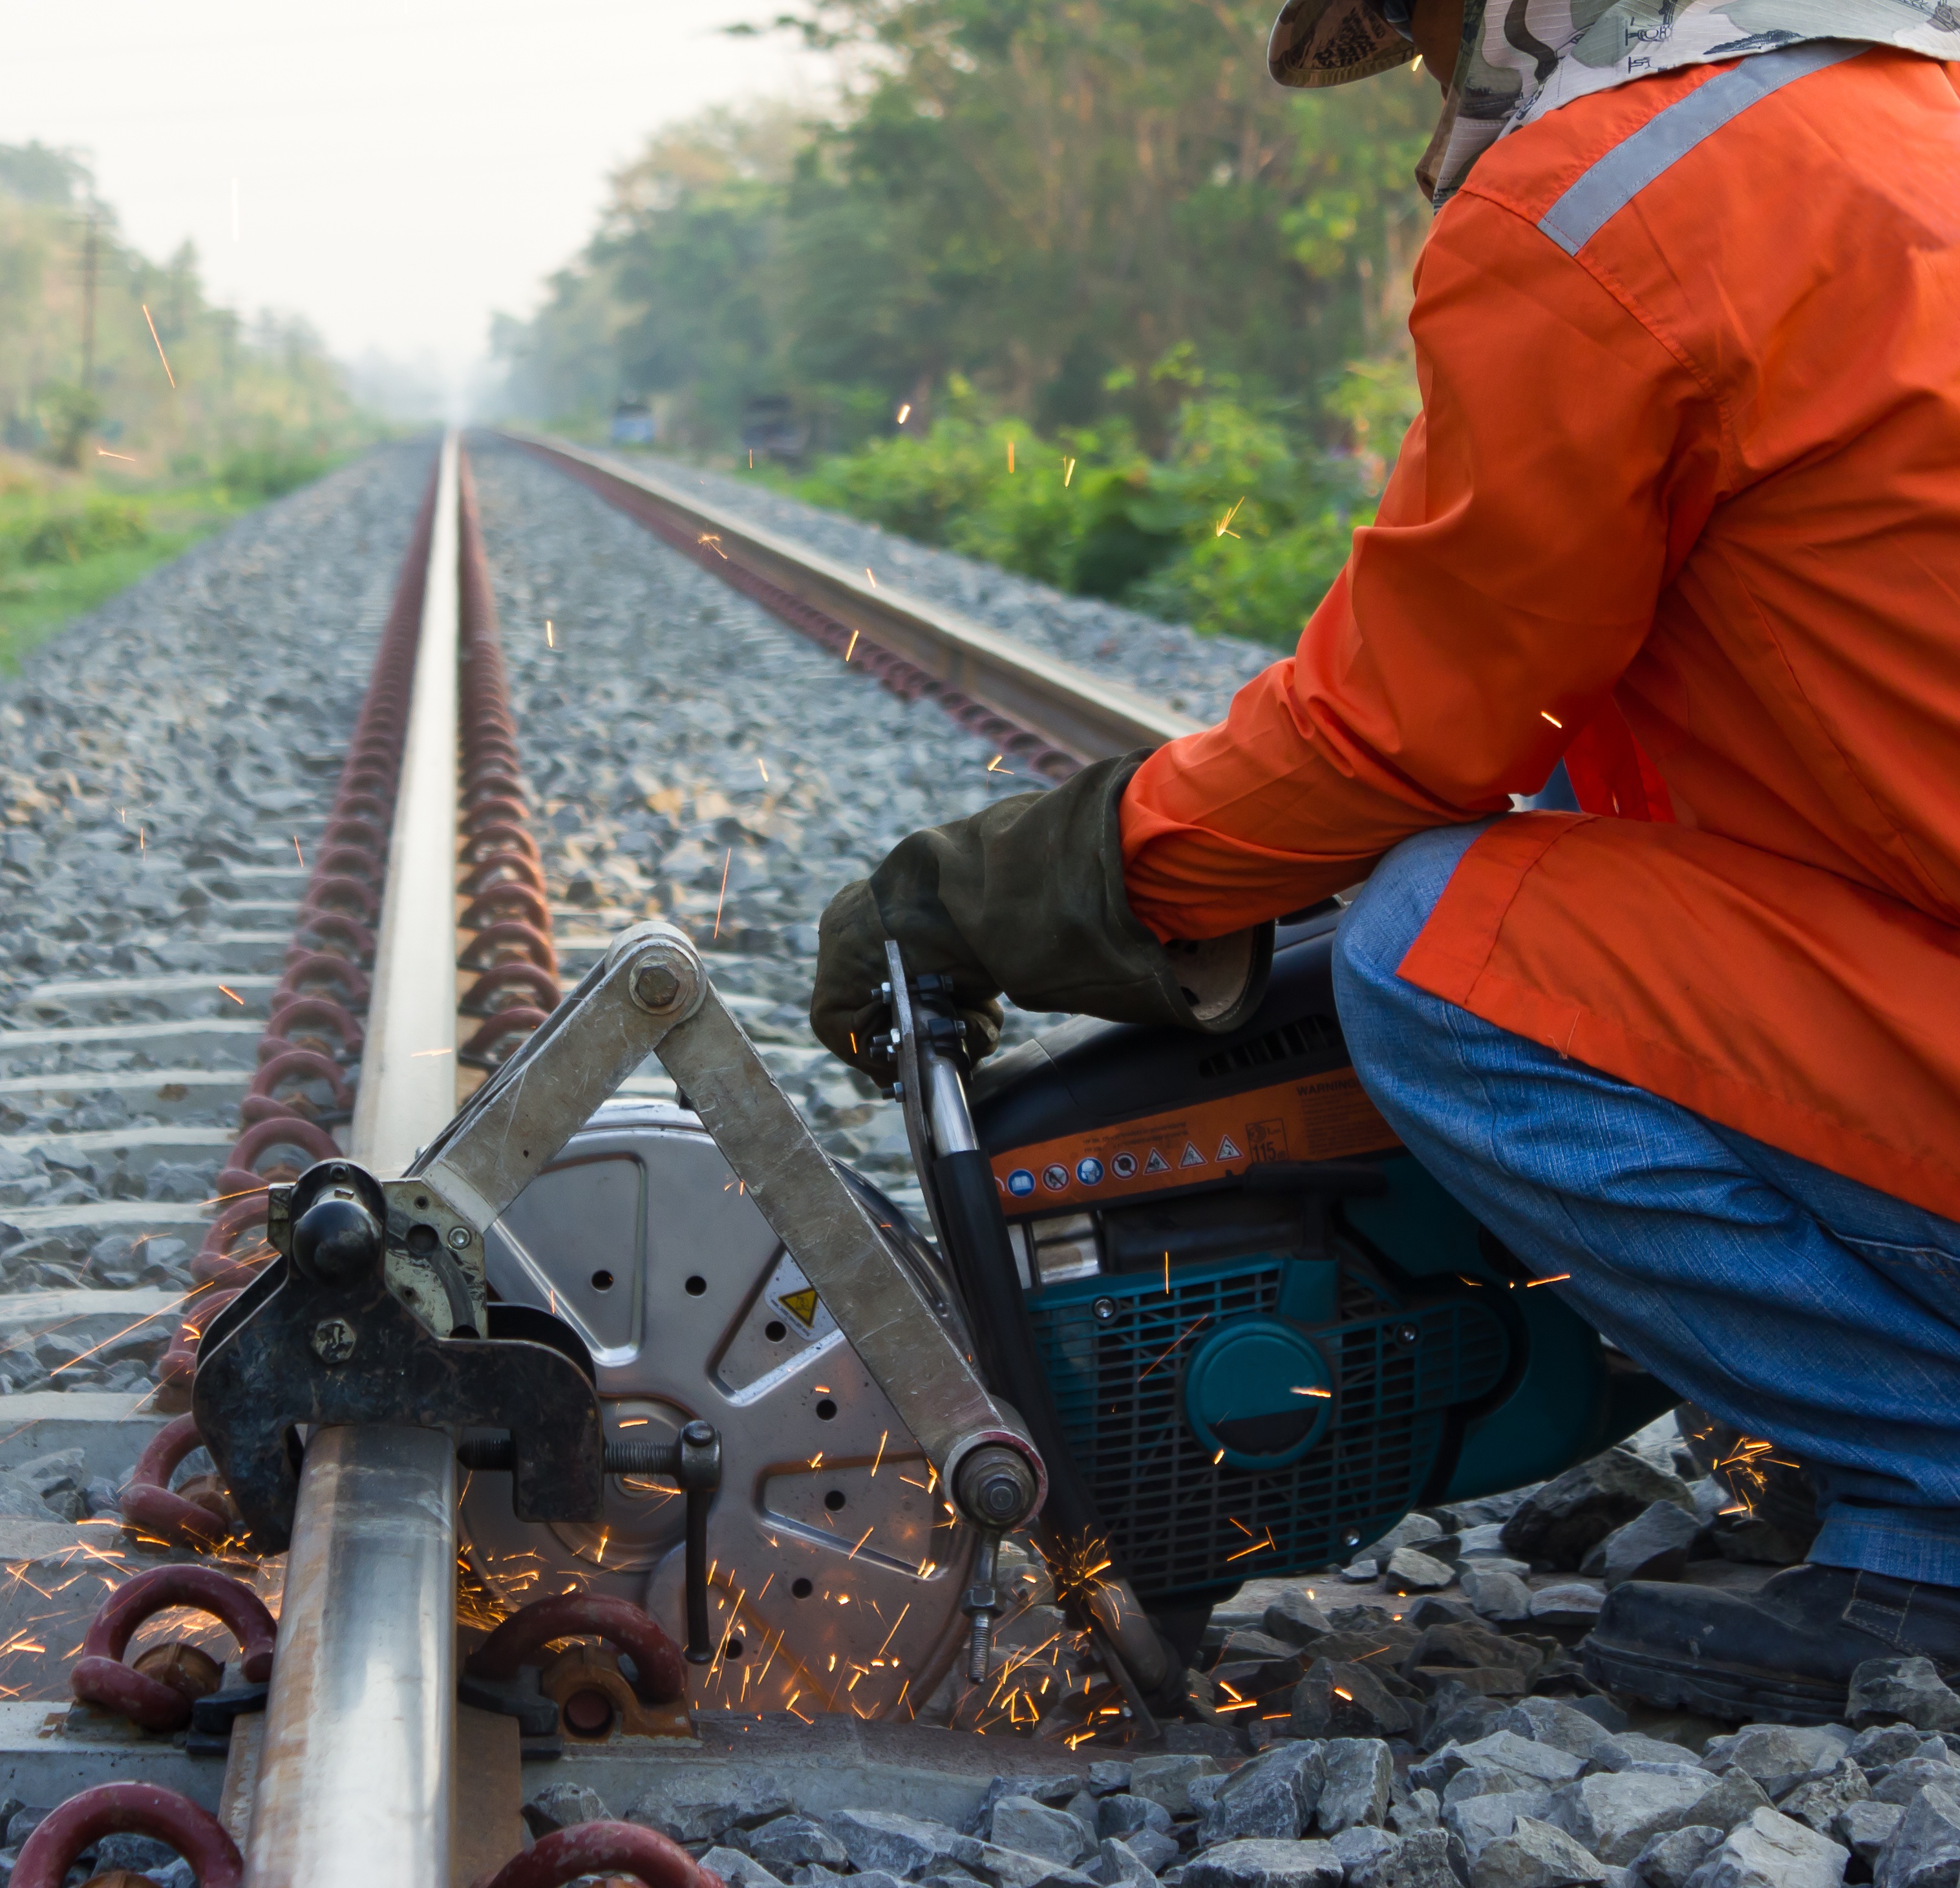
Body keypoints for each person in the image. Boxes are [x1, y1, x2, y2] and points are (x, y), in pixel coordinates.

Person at [813, 0, 1960, 1723]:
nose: (1443, 90)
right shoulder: (1904, 117)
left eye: (1430, 34)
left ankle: (1938, 1499)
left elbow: (1399, 735)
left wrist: (1021, 887)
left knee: (1433, 948)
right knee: (1574, 845)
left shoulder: (1609, 199)